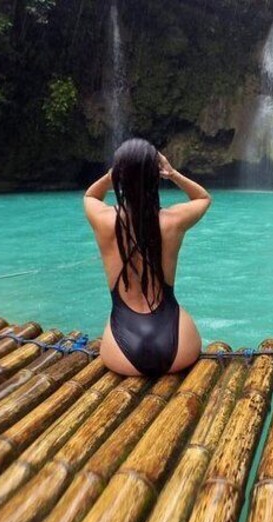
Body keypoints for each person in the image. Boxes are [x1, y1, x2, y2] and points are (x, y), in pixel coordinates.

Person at [84, 138, 211, 377]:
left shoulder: (103, 220)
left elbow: (90, 196)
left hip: (122, 353)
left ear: (119, 177)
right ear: (155, 177)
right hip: (178, 346)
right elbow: (203, 198)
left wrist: (114, 174)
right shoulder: (173, 221)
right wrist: (172, 173)